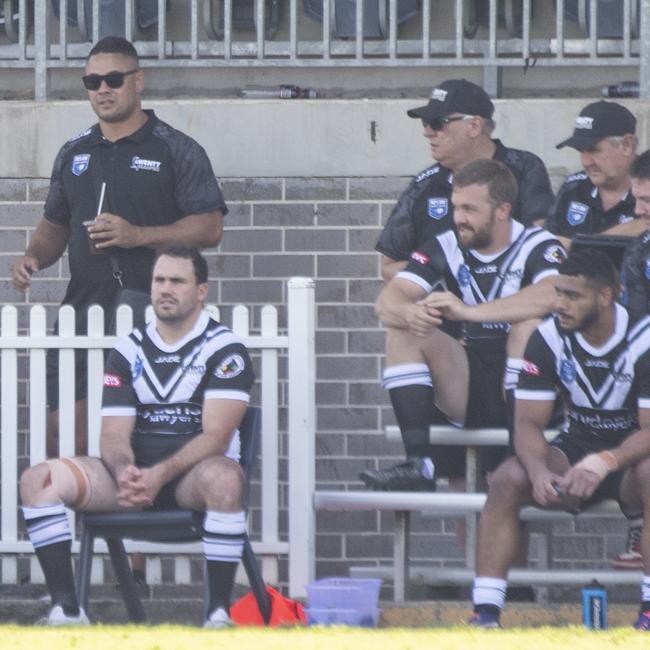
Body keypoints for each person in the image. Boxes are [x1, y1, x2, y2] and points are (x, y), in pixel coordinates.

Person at [10, 36, 226, 460]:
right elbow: (54, 224)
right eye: (92, 81)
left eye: (113, 78)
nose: (102, 89)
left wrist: (137, 236)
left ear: (138, 81)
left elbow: (210, 227)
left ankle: (124, 522)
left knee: (130, 436)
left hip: (151, 314)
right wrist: (33, 256)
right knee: (62, 436)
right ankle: (82, 524)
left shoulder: (175, 148)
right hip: (80, 311)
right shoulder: (74, 151)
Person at [19, 246, 254, 627]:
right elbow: (112, 434)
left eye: (177, 281)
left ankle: (217, 615)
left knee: (226, 479)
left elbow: (216, 436)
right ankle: (67, 610)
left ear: (201, 291)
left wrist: (158, 474)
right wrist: (125, 469)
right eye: (159, 280)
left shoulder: (226, 349)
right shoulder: (128, 349)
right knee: (38, 480)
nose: (165, 288)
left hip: (191, 480)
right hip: (130, 482)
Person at [469, 249, 650, 630]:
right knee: (506, 478)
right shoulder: (547, 337)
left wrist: (605, 462)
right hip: (574, 451)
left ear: (606, 296)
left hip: (631, 459)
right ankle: (485, 615)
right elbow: (527, 423)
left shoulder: (644, 338)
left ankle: (648, 612)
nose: (560, 305)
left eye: (573, 296)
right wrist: (536, 471)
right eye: (559, 293)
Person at [361, 160, 566, 491]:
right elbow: (387, 302)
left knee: (526, 329)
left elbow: (554, 295)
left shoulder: (539, 244)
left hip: (532, 388)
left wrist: (471, 312)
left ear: (502, 210)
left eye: (469, 209)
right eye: (456, 207)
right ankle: (419, 464)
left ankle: (519, 451)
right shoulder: (447, 243)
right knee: (403, 329)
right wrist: (409, 313)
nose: (458, 218)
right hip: (471, 377)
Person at [376, 77, 554, 283]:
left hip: (511, 308)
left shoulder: (525, 168)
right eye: (425, 123)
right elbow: (388, 267)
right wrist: (446, 280)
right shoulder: (424, 185)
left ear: (474, 126)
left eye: (437, 123)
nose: (427, 132)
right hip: (441, 311)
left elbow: (540, 248)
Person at [612, 149, 650, 570]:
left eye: (647, 202)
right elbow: (635, 320)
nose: (639, 211)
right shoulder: (641, 249)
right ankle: (641, 521)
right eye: (637, 200)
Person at [549, 100, 646, 251]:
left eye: (594, 150)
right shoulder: (572, 188)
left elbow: (645, 225)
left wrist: (579, 246)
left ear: (627, 145)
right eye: (581, 151)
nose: (586, 162)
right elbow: (548, 244)